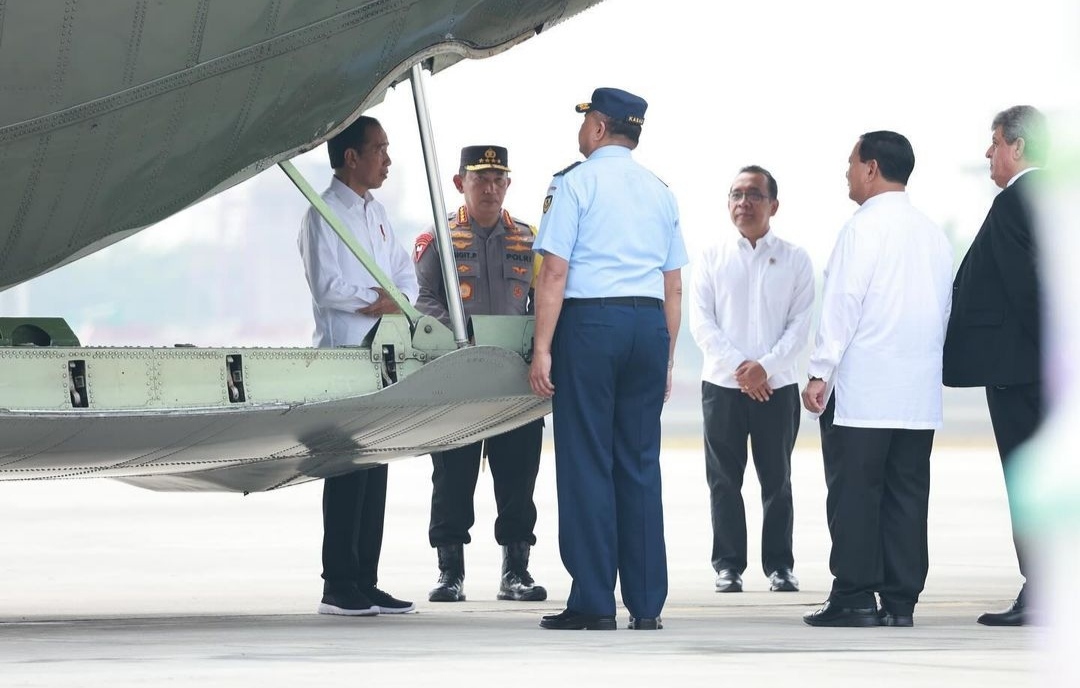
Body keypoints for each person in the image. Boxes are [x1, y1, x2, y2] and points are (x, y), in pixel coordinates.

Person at [528, 87, 687, 631]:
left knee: (587, 462)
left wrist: (543, 347)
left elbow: (554, 271)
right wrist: (665, 356)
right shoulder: (659, 191)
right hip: (647, 327)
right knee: (640, 464)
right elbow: (673, 286)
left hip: (592, 326)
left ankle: (594, 600)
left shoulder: (575, 183)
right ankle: (646, 605)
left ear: (597, 128)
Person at [801, 131, 952, 628]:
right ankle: (902, 601)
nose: (846, 172)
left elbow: (842, 307)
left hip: (865, 392)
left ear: (870, 168)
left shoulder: (862, 229)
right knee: (908, 495)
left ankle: (855, 597)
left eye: (850, 163)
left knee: (855, 495)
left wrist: (819, 371)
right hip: (917, 395)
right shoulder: (933, 233)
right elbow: (942, 311)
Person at [297, 115, 419, 616]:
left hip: (383, 353)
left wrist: (393, 300)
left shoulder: (379, 213)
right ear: (352, 157)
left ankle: (365, 578)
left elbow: (406, 280)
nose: (387, 160)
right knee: (346, 466)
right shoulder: (322, 214)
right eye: (379, 149)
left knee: (374, 463)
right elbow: (327, 287)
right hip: (345, 352)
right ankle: (338, 583)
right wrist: (381, 299)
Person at [414, 145, 547, 603]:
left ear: (508, 184)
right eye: (479, 179)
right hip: (460, 380)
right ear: (459, 184)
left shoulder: (530, 240)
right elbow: (423, 300)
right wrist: (460, 330)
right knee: (452, 478)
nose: (490, 188)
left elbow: (546, 298)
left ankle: (516, 571)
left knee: (518, 480)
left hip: (516, 382)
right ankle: (450, 571)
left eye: (498, 179)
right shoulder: (440, 240)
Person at [943, 105, 1048, 627]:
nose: (989, 153)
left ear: (1019, 147)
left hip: (1023, 371)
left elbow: (1029, 292)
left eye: (995, 143)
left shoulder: (1014, 204)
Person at [689, 165, 813, 595]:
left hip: (777, 389)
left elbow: (800, 326)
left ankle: (780, 566)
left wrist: (767, 368)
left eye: (754, 195)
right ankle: (728, 565)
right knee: (723, 479)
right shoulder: (711, 256)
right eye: (736, 195)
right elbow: (701, 323)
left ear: (773, 205)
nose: (744, 203)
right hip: (722, 387)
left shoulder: (795, 259)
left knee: (776, 480)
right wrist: (744, 369)